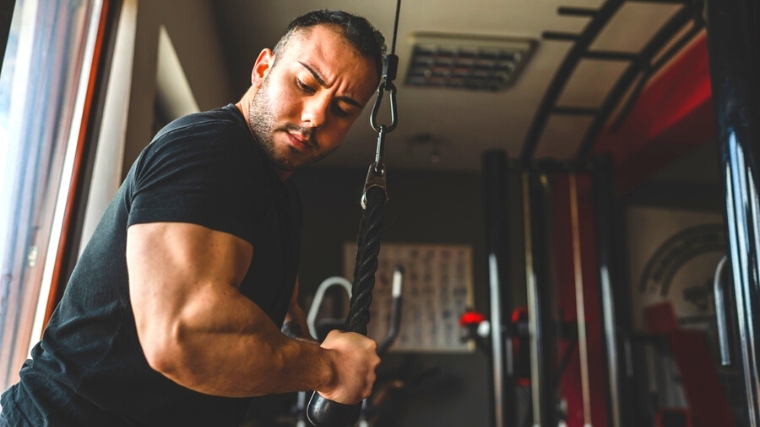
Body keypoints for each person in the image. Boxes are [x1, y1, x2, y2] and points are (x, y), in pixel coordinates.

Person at [0, 9, 385, 427]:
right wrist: (327, 369)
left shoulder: (283, 196)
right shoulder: (210, 148)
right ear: (263, 68)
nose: (316, 117)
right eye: (305, 83)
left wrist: (314, 355)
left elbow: (283, 304)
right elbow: (182, 336)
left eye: (343, 109)